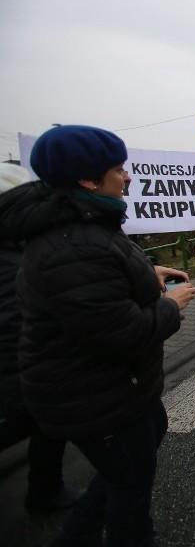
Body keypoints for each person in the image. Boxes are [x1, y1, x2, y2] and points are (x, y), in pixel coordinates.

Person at [0, 125, 195, 545]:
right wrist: (169, 306)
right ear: (89, 180)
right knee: (130, 485)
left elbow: (101, 276)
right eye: (118, 169)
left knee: (131, 463)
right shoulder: (73, 242)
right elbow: (120, 332)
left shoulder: (85, 219)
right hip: (92, 394)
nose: (127, 177)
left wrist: (147, 270)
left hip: (118, 387)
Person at [0, 164, 81, 515]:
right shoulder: (21, 252)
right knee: (42, 422)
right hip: (24, 362)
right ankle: (45, 492)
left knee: (43, 425)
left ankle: (45, 490)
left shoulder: (23, 246)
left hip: (29, 360)